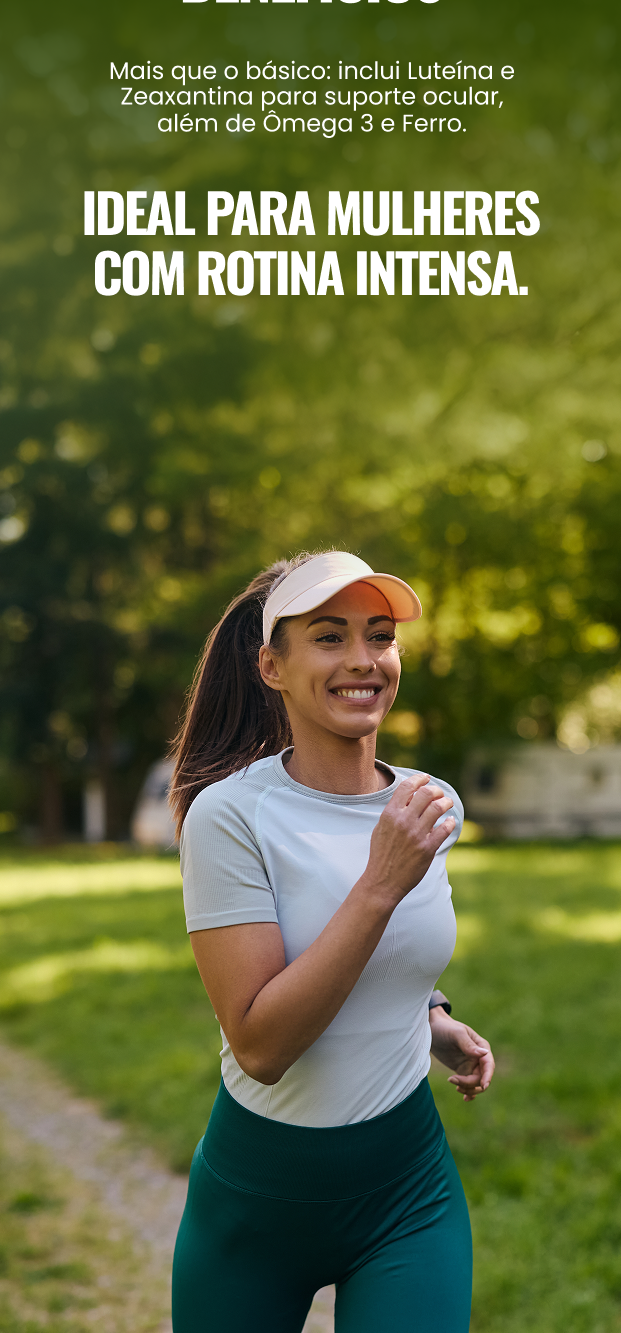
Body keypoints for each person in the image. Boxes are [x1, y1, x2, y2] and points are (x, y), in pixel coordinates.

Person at [169, 550, 495, 1333]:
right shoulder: (230, 817)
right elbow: (261, 1043)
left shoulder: (428, 802)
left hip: (405, 1189)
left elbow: (393, 960)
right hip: (258, 1202)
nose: (362, 659)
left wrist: (429, 1019)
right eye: (328, 636)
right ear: (271, 666)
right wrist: (380, 882)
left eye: (378, 636)